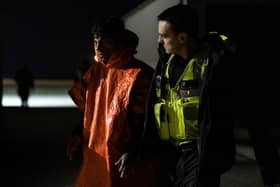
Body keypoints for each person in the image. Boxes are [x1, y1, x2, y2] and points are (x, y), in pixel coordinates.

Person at [140, 4, 237, 187]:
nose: (159, 41)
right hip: (171, 157)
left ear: (182, 37)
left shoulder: (211, 68)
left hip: (199, 158)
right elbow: (151, 108)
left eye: (164, 36)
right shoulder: (164, 66)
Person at [67, 17, 158, 187]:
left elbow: (148, 121)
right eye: (95, 41)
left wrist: (133, 150)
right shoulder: (94, 73)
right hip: (97, 160)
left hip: (126, 162)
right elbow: (91, 114)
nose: (99, 47)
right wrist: (78, 133)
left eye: (106, 42)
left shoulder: (139, 74)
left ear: (119, 42)